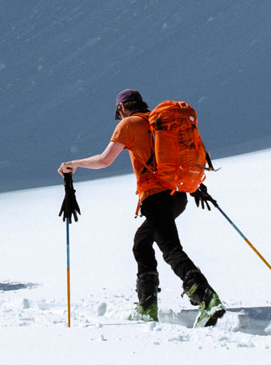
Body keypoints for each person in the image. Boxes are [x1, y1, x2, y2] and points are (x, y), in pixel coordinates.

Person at [58, 89, 224, 326]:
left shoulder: (129, 125)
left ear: (122, 108)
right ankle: (147, 305)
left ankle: (207, 299)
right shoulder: (158, 122)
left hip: (155, 197)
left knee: (171, 250)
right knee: (142, 243)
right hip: (177, 195)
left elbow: (105, 160)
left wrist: (73, 164)